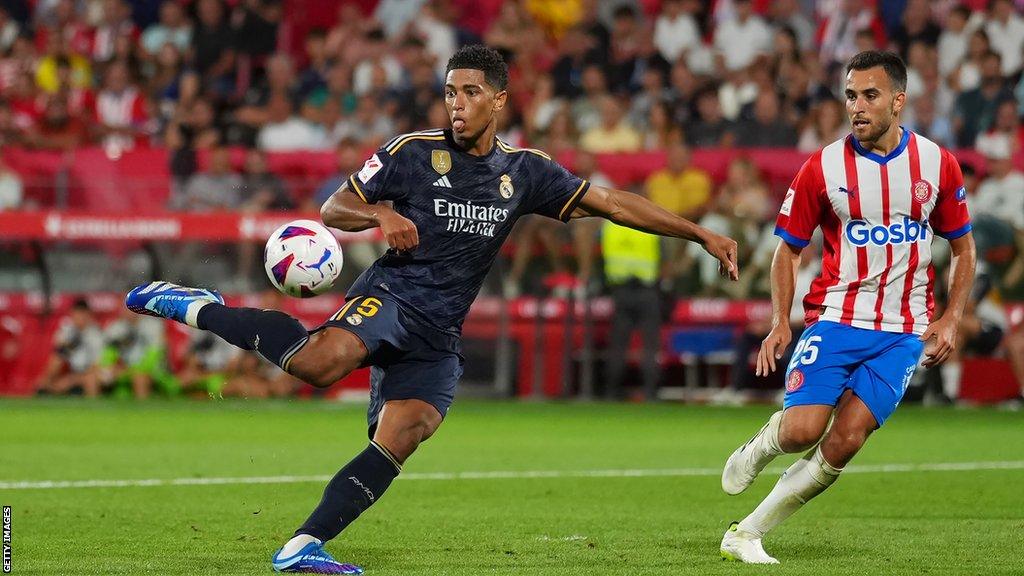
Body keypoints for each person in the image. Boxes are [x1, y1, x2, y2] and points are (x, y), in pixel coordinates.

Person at [125, 45, 739, 574]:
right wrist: (381, 214)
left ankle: (302, 545)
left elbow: (611, 203)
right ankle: (202, 308)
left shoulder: (524, 172)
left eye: (470, 92)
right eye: (450, 91)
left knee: (404, 435)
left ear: (499, 101)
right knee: (319, 364)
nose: (457, 103)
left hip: (440, 331)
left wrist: (700, 234)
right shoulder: (411, 152)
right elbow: (334, 208)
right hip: (391, 298)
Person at [718, 51, 976, 564]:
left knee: (845, 441)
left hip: (904, 331)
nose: (857, 106)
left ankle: (746, 534)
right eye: (851, 95)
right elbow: (787, 249)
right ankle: (763, 444)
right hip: (836, 319)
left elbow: (963, 248)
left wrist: (950, 316)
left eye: (870, 95)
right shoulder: (824, 166)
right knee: (802, 432)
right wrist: (778, 322)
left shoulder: (936, 164)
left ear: (898, 101)